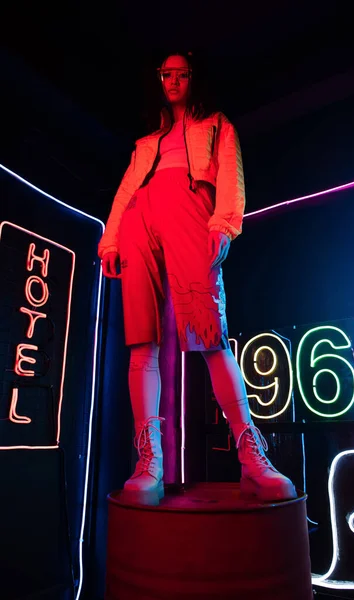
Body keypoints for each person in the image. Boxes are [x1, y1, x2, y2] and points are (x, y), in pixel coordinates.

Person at [98, 52, 296, 505]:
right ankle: (150, 462)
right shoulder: (147, 142)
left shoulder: (216, 125)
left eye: (180, 73)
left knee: (208, 329)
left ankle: (251, 457)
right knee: (141, 337)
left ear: (193, 77)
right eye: (165, 73)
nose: (172, 80)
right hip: (140, 216)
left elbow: (231, 170)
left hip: (190, 207)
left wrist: (225, 222)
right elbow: (127, 189)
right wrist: (110, 239)